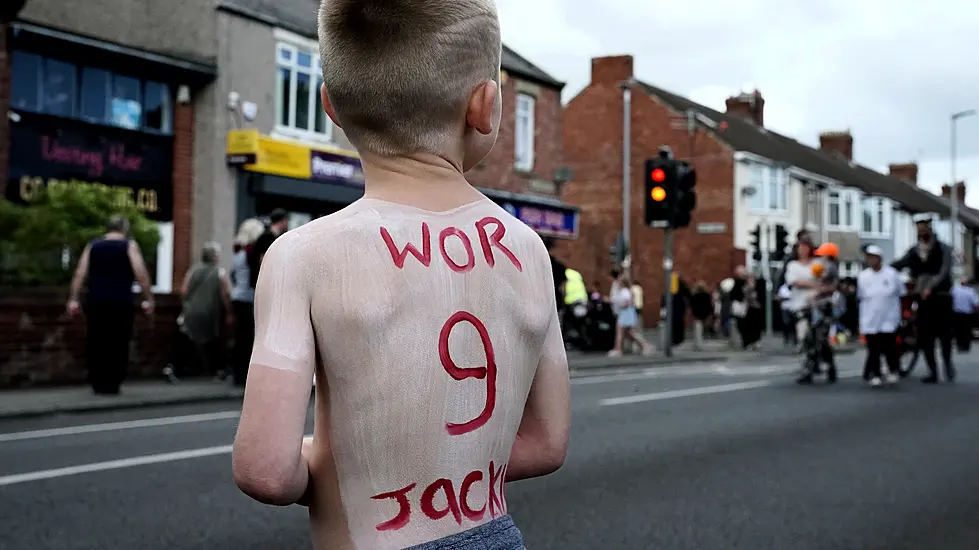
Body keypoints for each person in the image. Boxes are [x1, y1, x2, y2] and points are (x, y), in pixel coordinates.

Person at [232, 3, 570, 549]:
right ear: (485, 106)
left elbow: (266, 470)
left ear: (331, 107)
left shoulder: (302, 256)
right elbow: (547, 442)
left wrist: (347, 470)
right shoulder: (528, 249)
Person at [66, 215, 154, 395]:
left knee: (97, 340)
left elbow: (80, 273)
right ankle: (113, 382)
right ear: (124, 228)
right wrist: (148, 297)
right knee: (118, 341)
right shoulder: (129, 246)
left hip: (96, 300)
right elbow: (141, 274)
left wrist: (73, 298)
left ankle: (97, 381)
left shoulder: (93, 246)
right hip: (121, 301)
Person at [892, 215, 955, 383]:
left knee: (944, 334)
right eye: (918, 228)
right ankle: (932, 371)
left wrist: (931, 287)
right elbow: (900, 264)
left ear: (930, 228)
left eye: (923, 227)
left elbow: (944, 271)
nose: (921, 231)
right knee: (925, 335)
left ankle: (947, 363)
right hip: (922, 299)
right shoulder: (914, 251)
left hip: (941, 297)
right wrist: (882, 267)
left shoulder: (943, 248)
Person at [177, 242, 233, 379]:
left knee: (188, 340)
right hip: (210, 312)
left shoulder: (193, 270)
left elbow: (184, 291)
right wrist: (229, 311)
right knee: (213, 341)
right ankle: (215, 370)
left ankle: (183, 368)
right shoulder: (220, 272)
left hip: (190, 311)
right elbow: (225, 294)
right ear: (215, 257)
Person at [856, 246, 903, 386]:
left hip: (889, 316)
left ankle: (893, 370)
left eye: (873, 257)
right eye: (869, 257)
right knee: (873, 348)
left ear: (880, 258)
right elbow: (861, 296)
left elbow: (900, 292)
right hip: (870, 317)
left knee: (890, 346)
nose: (871, 260)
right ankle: (875, 373)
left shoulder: (892, 274)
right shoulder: (863, 276)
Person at [230, 218, 266, 386]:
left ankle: (237, 372)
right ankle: (244, 374)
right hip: (247, 297)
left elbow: (232, 275)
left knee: (240, 337)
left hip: (237, 296)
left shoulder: (237, 252)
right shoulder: (250, 252)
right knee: (247, 338)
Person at [607, 271, 654, 356]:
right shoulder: (623, 291)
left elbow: (627, 303)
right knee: (630, 333)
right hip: (625, 314)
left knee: (620, 332)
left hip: (625, 314)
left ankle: (618, 350)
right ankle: (645, 346)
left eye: (619, 282)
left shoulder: (625, 292)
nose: (618, 284)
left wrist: (620, 305)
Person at [248, 208, 289, 287]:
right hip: (263, 282)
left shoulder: (271, 237)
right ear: (282, 221)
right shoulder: (267, 238)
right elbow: (262, 259)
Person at [950, 277, 978, 352]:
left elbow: (950, 299)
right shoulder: (970, 291)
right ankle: (966, 346)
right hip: (967, 314)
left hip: (957, 313)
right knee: (967, 331)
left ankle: (960, 345)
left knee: (958, 330)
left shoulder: (955, 290)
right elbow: (975, 303)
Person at [690, 281, 713, 349]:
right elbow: (709, 305)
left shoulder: (694, 295)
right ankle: (702, 338)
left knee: (698, 326)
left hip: (698, 313)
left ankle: (698, 340)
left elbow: (692, 304)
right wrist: (710, 312)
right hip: (704, 313)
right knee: (703, 326)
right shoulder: (707, 295)